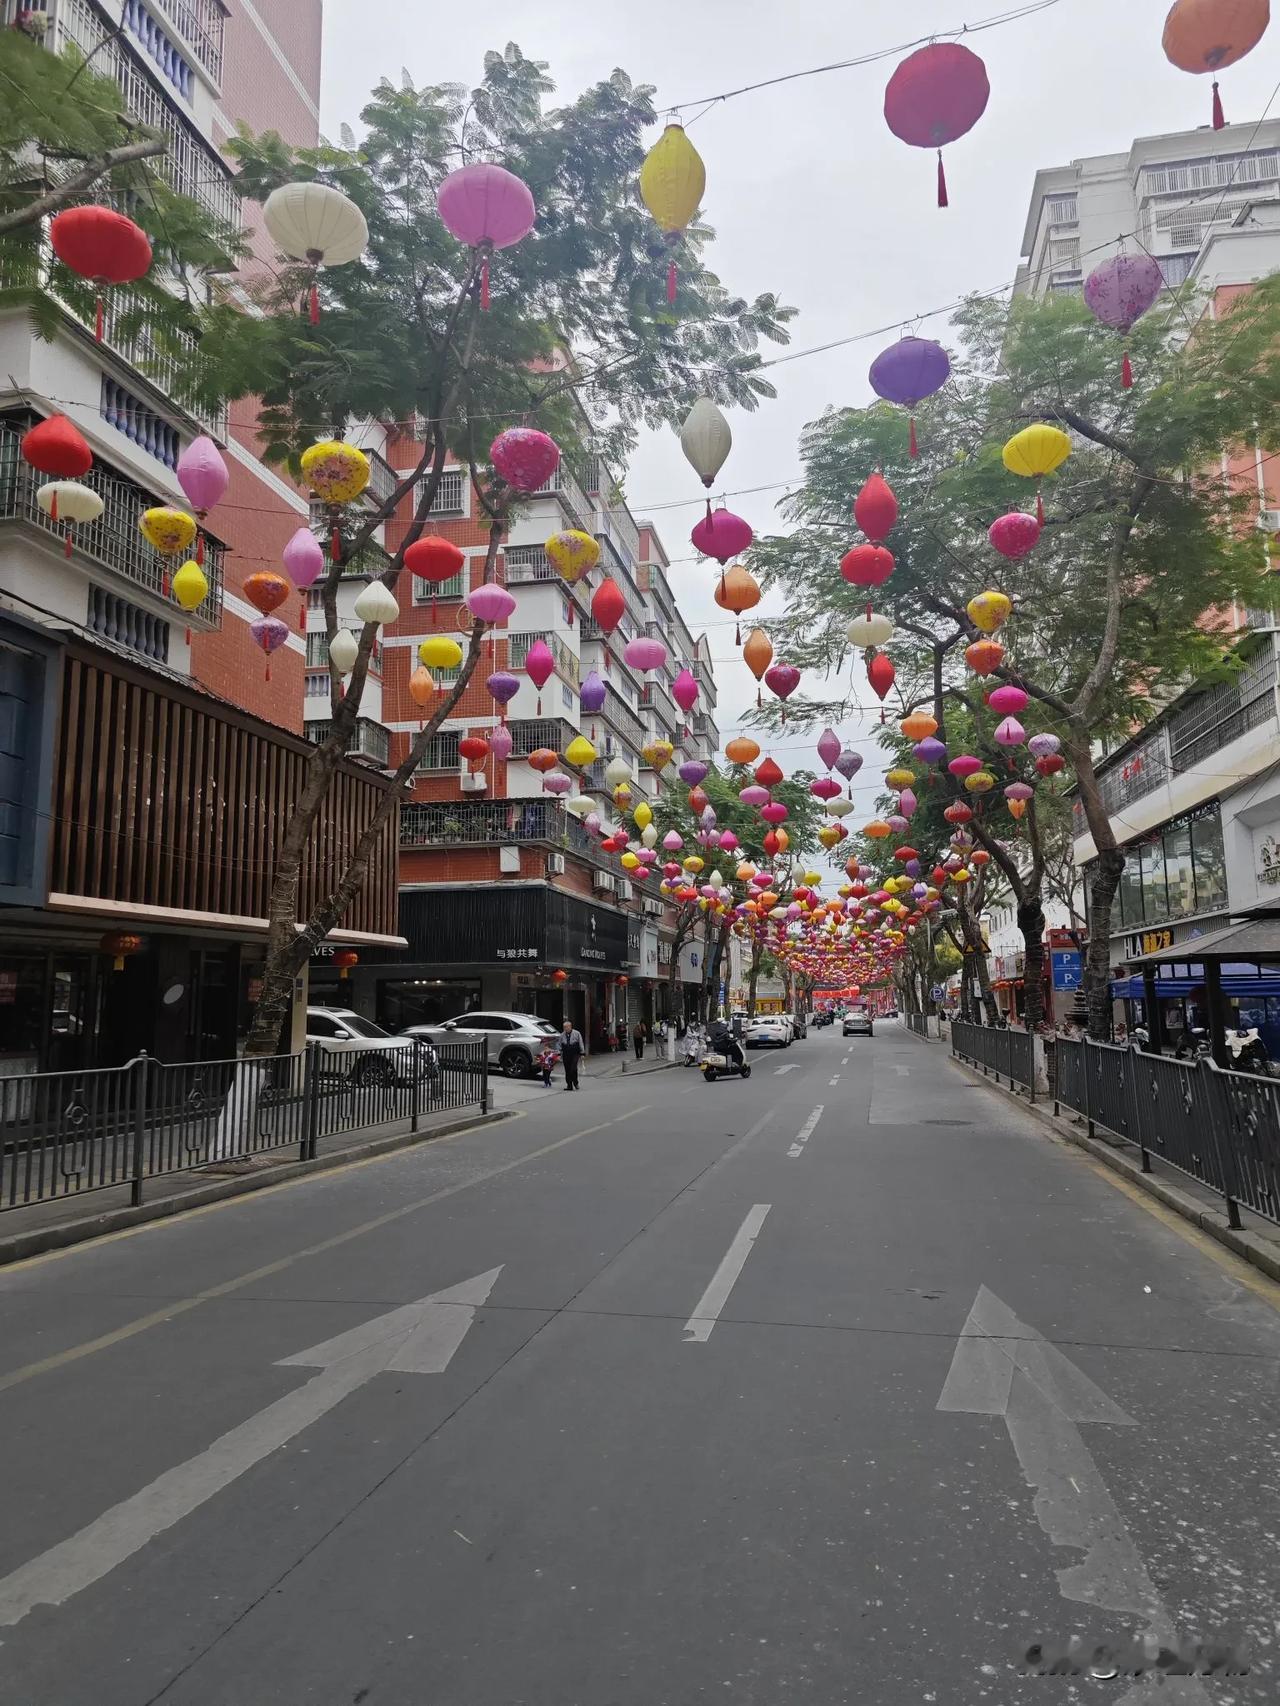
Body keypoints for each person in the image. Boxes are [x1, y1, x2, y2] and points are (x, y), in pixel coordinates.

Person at [559, 1019, 584, 1091]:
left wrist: (582, 1053)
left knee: (573, 1069)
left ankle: (575, 1083)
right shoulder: (562, 1035)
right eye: (564, 1027)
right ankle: (569, 1085)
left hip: (575, 1053)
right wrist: (558, 1053)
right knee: (567, 1070)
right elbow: (559, 1045)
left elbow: (581, 1043)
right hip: (566, 1054)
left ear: (570, 1027)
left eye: (567, 1027)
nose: (566, 1028)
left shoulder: (577, 1033)